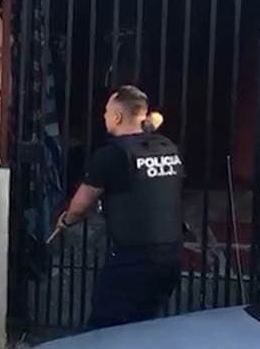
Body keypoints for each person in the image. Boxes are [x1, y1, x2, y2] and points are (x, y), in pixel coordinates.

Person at [55, 85, 184, 329]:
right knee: (142, 327)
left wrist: (66, 220)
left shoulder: (111, 154)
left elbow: (80, 206)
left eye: (106, 111)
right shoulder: (167, 146)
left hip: (134, 260)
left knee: (105, 329)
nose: (103, 116)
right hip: (171, 258)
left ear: (116, 117)